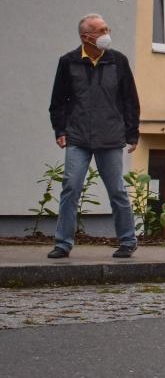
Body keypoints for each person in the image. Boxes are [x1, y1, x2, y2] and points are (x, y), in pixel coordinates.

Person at [47, 14, 141, 259]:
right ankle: (63, 243)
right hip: (78, 137)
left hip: (110, 137)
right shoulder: (68, 62)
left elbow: (130, 99)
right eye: (100, 30)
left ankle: (128, 241)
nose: (106, 33)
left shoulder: (118, 61)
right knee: (70, 187)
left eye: (106, 28)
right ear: (85, 37)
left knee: (117, 190)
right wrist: (60, 130)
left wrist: (132, 132)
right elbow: (58, 102)